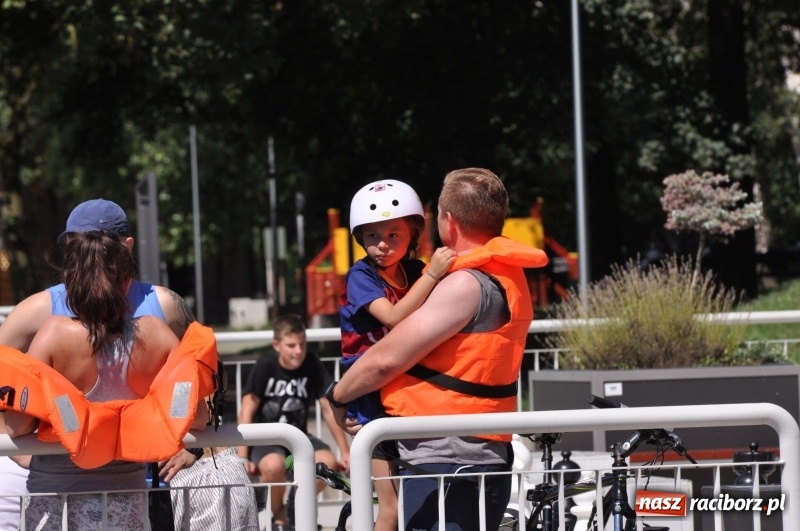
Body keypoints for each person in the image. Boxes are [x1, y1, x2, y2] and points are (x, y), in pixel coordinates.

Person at [328, 168, 549, 531]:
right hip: (483, 446)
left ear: (448, 221)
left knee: (389, 510)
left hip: (446, 456)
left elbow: (385, 359)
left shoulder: (462, 283)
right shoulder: (507, 273)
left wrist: (337, 395)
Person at [0, 199, 207, 530]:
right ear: (124, 263)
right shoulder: (154, 333)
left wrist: (32, 447)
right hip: (126, 501)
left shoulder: (52, 334)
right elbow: (196, 413)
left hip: (57, 496)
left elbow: (19, 424)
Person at [341, 179, 455, 530]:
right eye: (373, 236)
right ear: (361, 238)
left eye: (394, 235)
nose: (383, 245)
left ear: (413, 234)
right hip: (369, 383)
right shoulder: (361, 275)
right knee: (389, 506)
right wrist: (434, 273)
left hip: (401, 377)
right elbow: (392, 317)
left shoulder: (414, 272)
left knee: (407, 496)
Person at [237, 313, 350, 530]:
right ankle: (279, 516)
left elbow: (328, 408)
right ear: (277, 345)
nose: (298, 351)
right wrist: (243, 457)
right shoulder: (265, 365)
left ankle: (295, 504)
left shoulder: (312, 363)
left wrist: (344, 452)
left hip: (298, 437)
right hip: (266, 440)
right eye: (291, 345)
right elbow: (247, 409)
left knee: (327, 463)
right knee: (273, 466)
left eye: (302, 344)